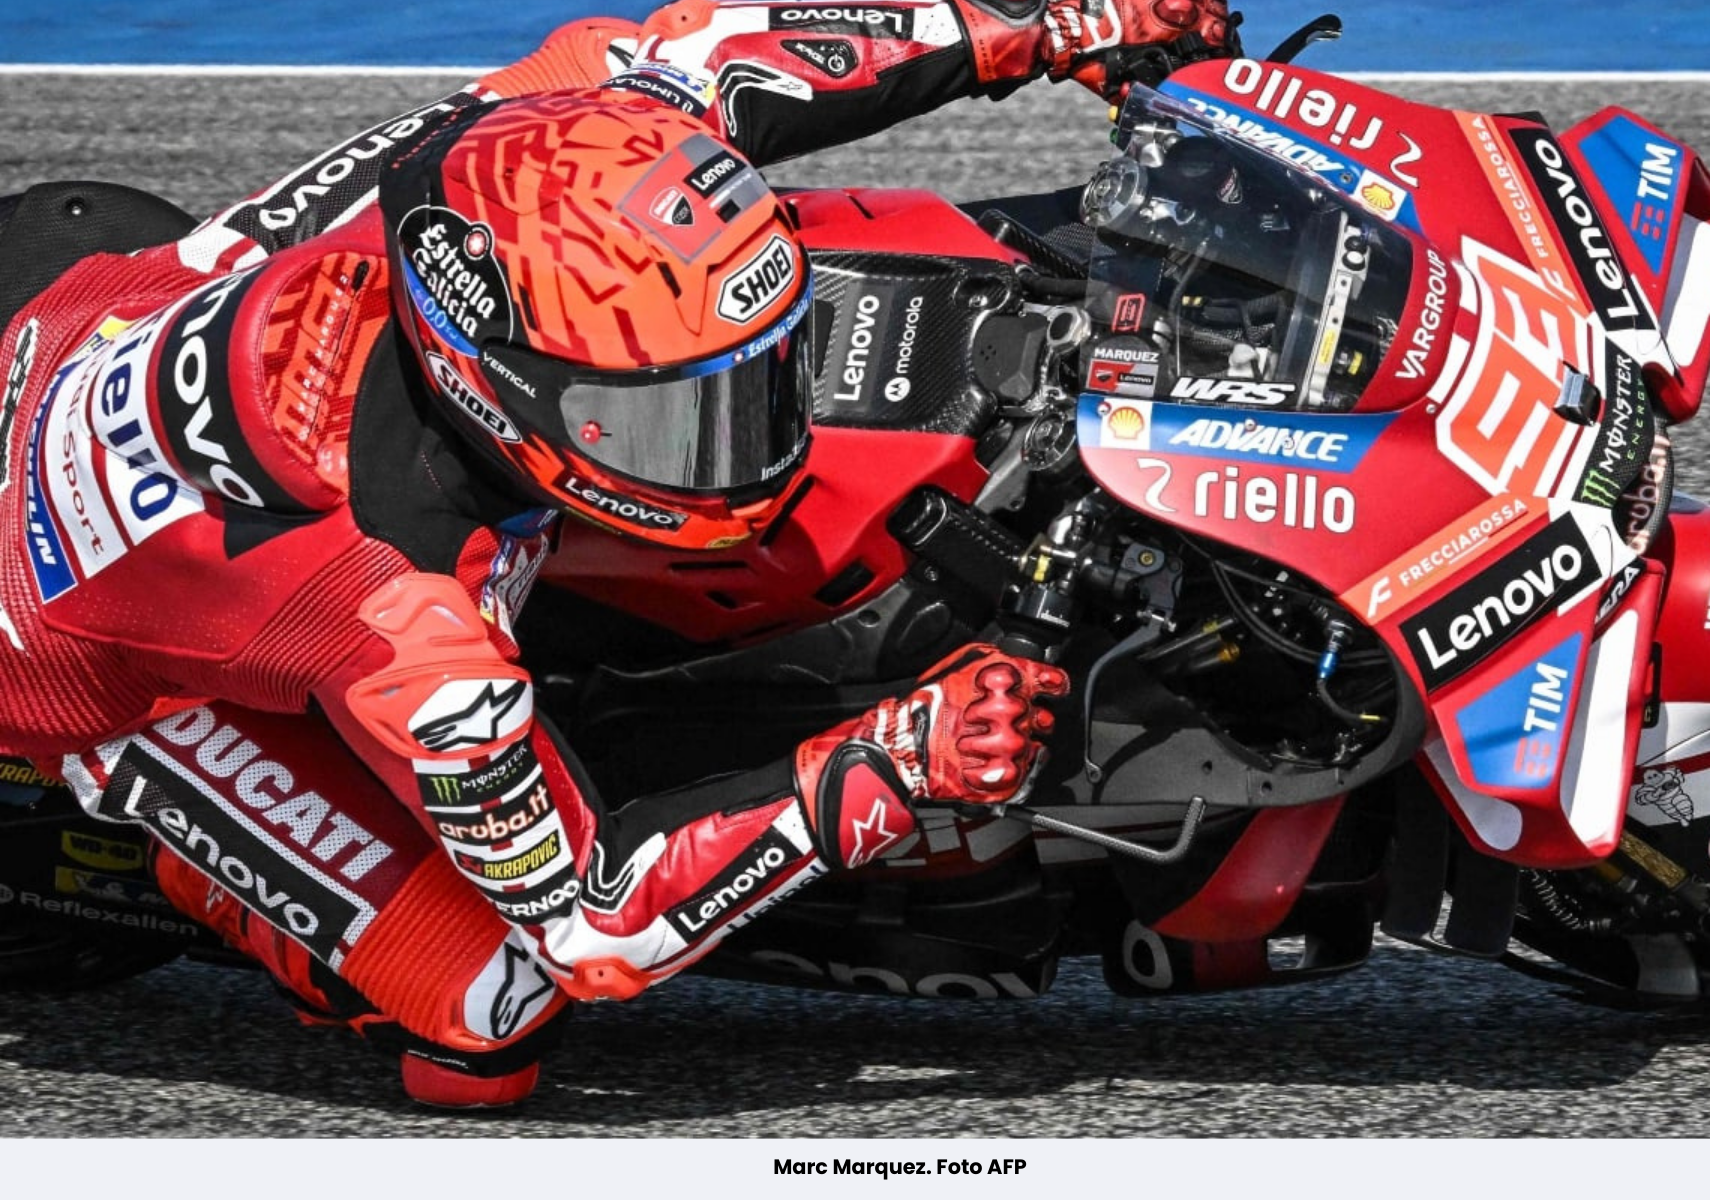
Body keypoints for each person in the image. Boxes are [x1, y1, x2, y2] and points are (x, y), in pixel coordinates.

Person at [0, 1, 1235, 1107]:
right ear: (494, 381)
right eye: (663, 419)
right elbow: (595, 926)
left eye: (754, 384)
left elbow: (703, 48)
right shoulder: (414, 635)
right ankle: (175, 857)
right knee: (491, 1010)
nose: (742, 447)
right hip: (85, 666)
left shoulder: (510, 148)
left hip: (83, 301)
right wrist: (887, 763)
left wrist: (1048, 23)